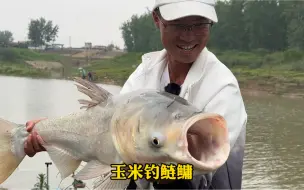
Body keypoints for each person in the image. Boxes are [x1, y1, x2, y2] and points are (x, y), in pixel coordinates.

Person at [24, 0, 248, 189]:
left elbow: (205, 173)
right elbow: (109, 132)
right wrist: (50, 136)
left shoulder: (222, 87)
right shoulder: (144, 73)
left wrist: (147, 170)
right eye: (178, 24)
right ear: (157, 19)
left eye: (199, 24)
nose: (189, 36)